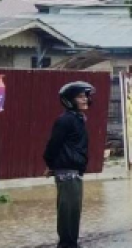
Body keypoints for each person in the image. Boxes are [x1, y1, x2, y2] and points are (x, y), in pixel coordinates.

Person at [43, 81, 95, 248]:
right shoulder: (66, 120)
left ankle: (71, 243)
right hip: (68, 173)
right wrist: (51, 164)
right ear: (69, 100)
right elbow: (53, 145)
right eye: (80, 96)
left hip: (74, 171)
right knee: (68, 212)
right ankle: (67, 244)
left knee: (73, 211)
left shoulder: (77, 119)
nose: (85, 99)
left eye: (85, 96)